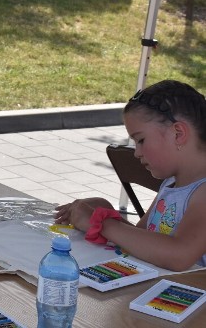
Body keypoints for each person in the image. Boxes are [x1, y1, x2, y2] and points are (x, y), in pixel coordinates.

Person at [55, 79, 206, 271]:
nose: (137, 153)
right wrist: (107, 212)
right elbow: (141, 239)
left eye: (141, 140)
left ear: (178, 133)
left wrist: (102, 223)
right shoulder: (172, 183)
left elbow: (179, 255)